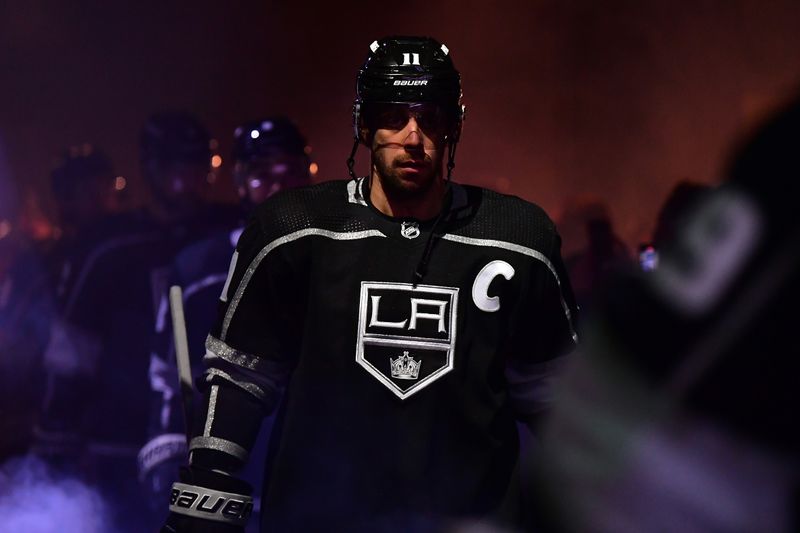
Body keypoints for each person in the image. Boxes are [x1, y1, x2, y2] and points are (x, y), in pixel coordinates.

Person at [162, 36, 578, 533]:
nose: (413, 136)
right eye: (393, 115)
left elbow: (555, 396)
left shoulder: (519, 239)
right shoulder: (292, 229)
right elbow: (240, 375)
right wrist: (207, 486)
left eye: (430, 117)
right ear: (362, 124)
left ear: (454, 126)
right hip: (319, 518)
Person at [140, 116, 313, 531]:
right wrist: (165, 457)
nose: (277, 186)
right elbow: (168, 379)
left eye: (289, 172)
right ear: (239, 181)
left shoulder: (339, 259)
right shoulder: (200, 266)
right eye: (261, 175)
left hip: (315, 464)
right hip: (226, 468)